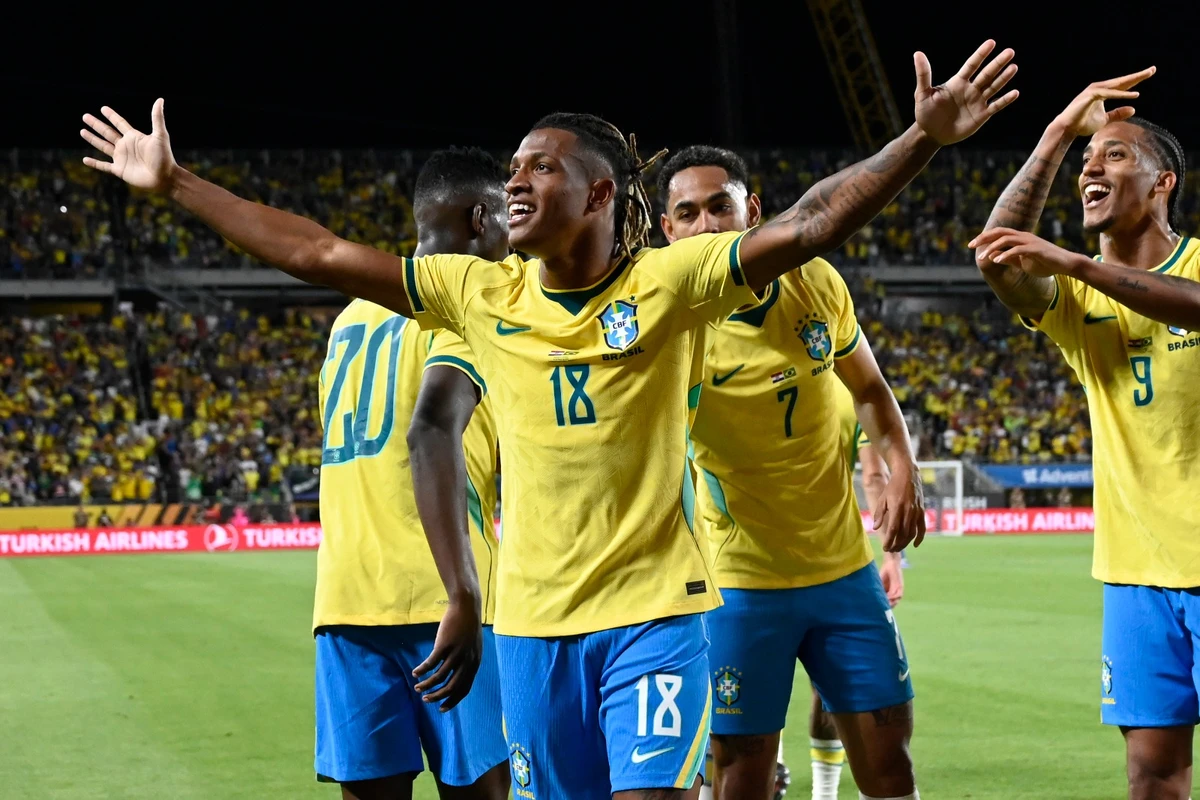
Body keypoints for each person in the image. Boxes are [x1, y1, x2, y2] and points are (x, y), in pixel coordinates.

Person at [80, 40, 1016, 797]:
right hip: (530, 630)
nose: (516, 181)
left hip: (656, 615)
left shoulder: (673, 282)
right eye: (513, 165)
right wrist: (177, 186)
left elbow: (809, 224)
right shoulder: (478, 294)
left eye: (542, 166)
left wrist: (921, 139)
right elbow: (319, 252)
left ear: (602, 194)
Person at [659, 146, 922, 800]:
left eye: (719, 206)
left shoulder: (816, 283)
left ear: (753, 211)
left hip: (844, 576)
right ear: (667, 232)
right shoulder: (673, 324)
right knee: (743, 779)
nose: (705, 225)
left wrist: (902, 464)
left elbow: (869, 390)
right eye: (686, 213)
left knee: (892, 767)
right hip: (741, 587)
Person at [971, 67, 1200, 800]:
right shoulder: (1074, 301)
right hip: (1136, 575)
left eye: (1115, 156)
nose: (1091, 171)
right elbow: (996, 250)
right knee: (1150, 774)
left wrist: (1074, 264)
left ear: (1164, 183)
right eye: (1086, 161)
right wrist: (1054, 135)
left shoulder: (1188, 265)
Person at [311, 148, 509, 800]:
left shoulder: (350, 318)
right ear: (481, 219)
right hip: (445, 594)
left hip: (345, 599)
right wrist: (464, 588)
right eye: (509, 217)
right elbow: (431, 431)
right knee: (480, 788)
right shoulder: (467, 306)